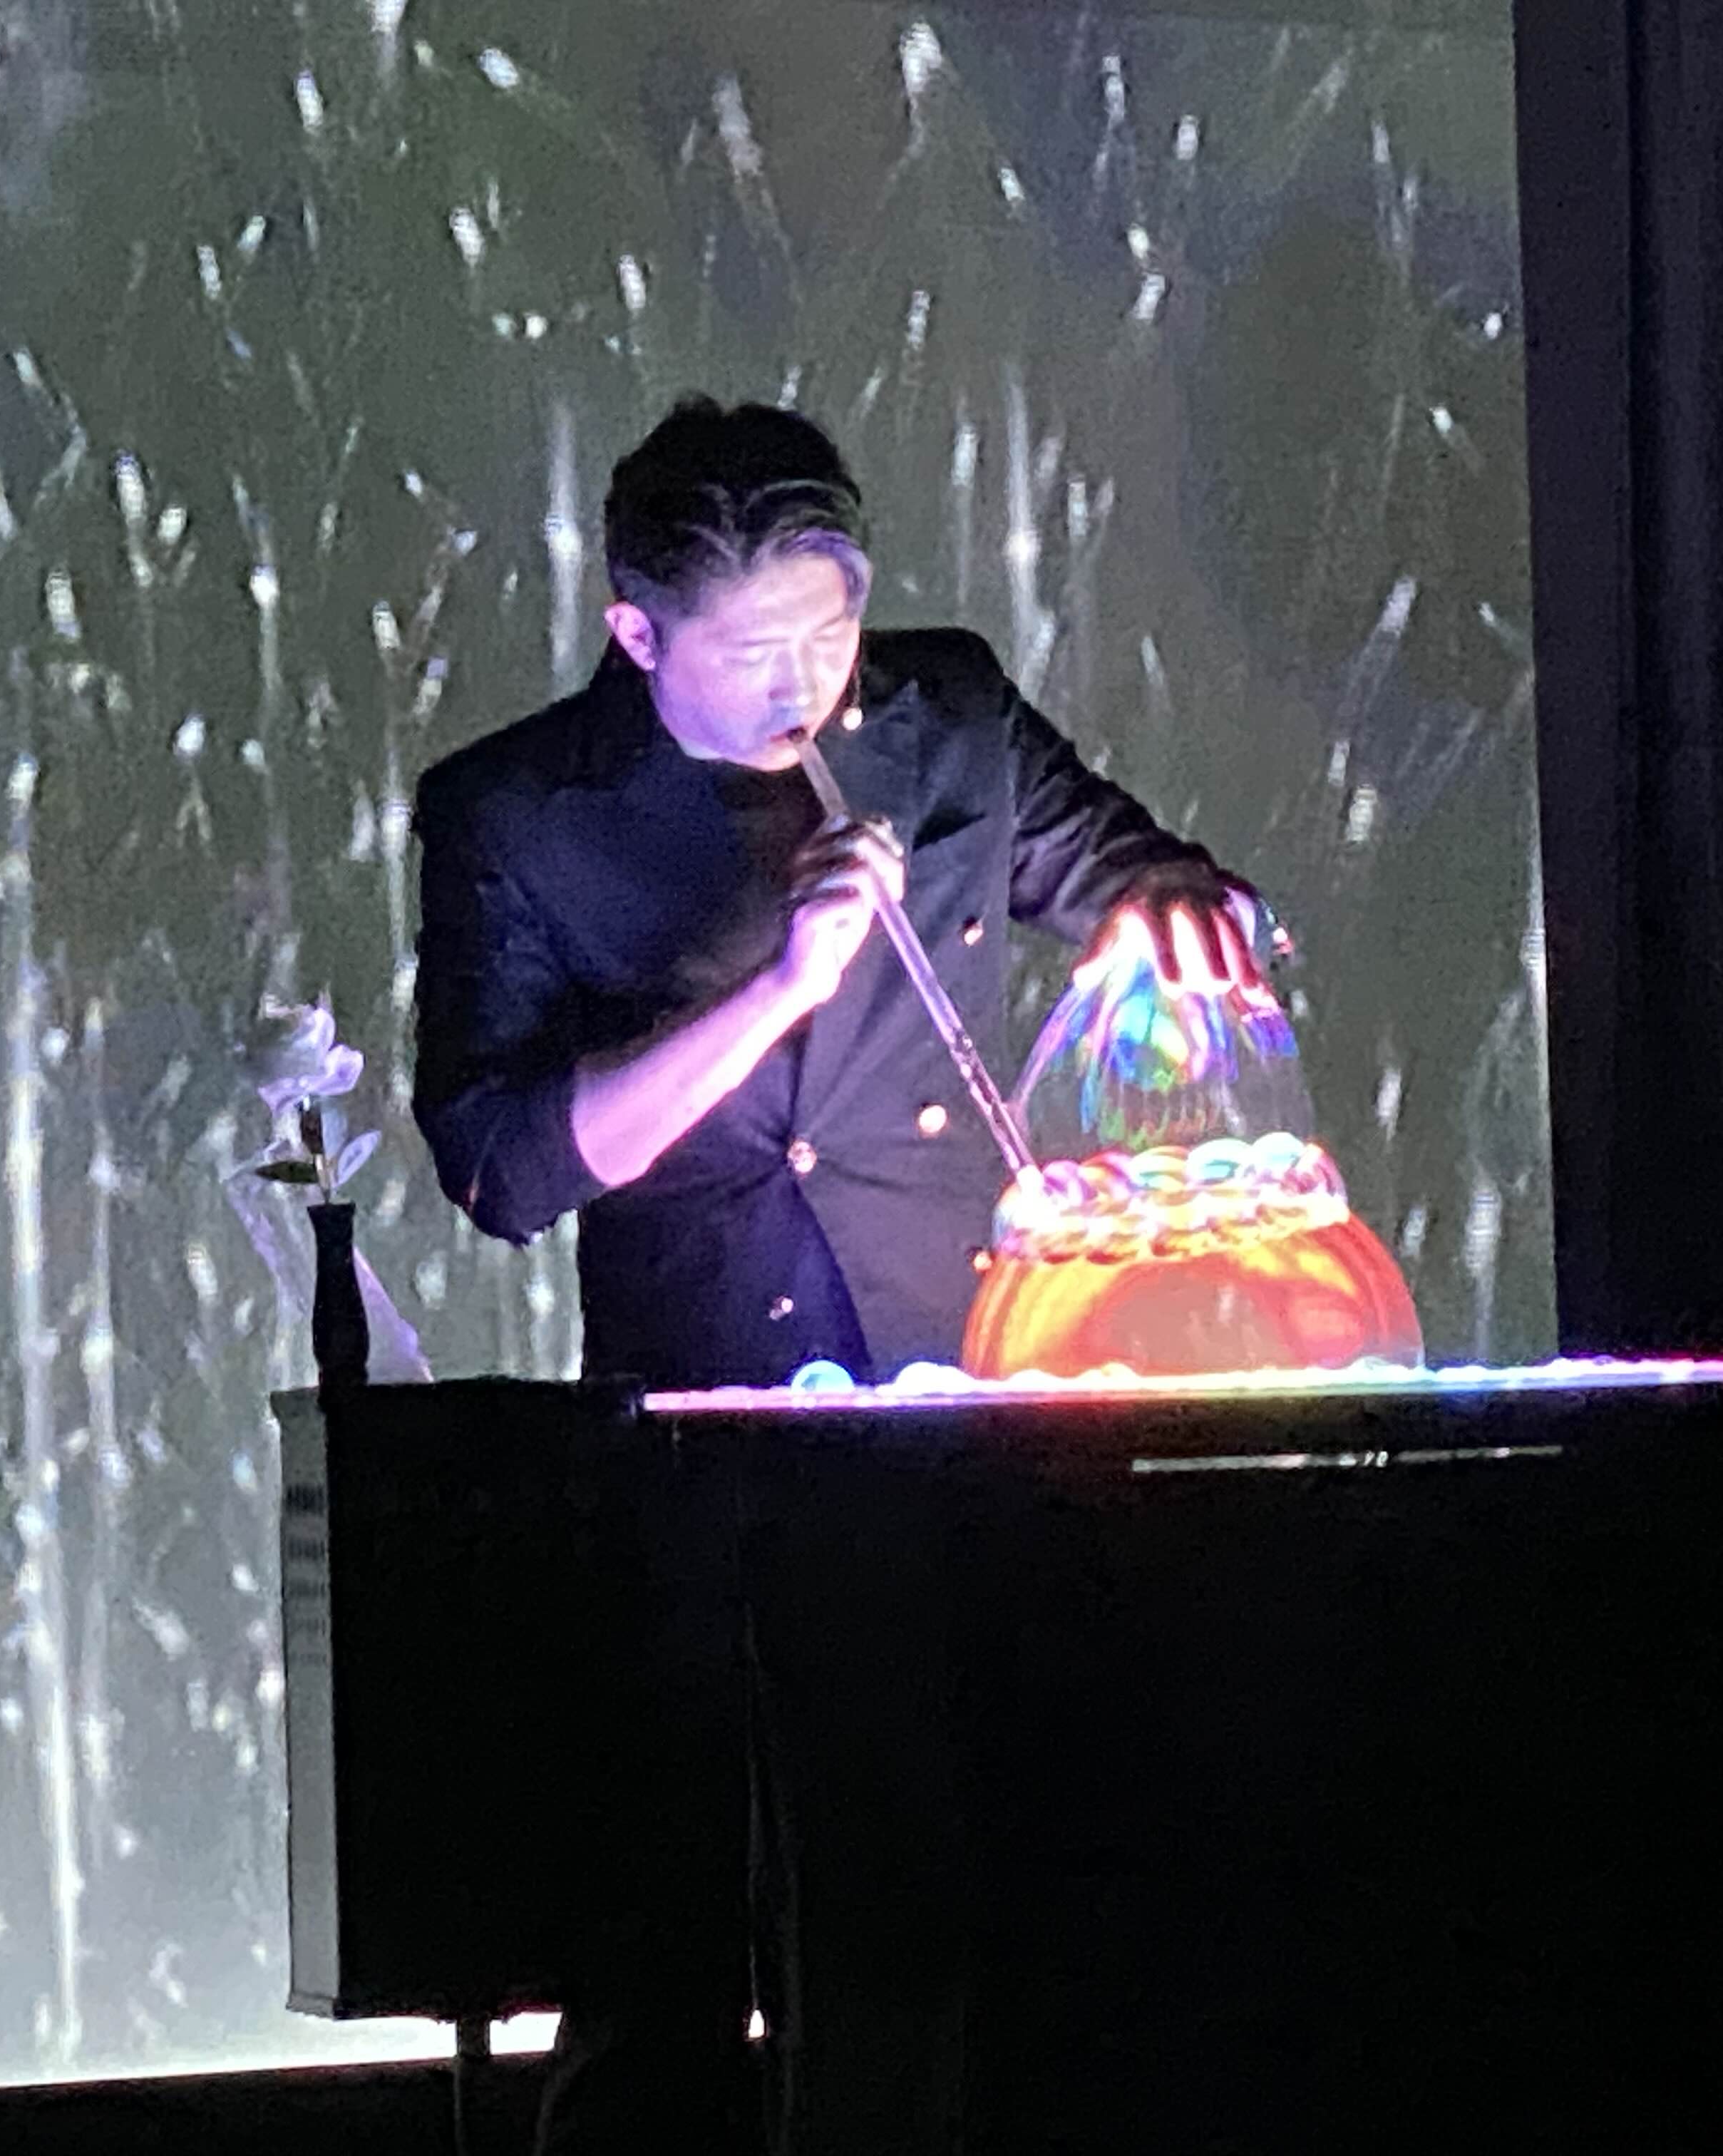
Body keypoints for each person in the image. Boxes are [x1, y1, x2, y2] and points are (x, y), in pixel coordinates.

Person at [409, 396, 1269, 2153]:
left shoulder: (945, 717)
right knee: (664, 1935)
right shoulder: (516, 814)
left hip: (951, 1410)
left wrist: (1188, 911)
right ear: (635, 631)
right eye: (749, 651)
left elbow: (1121, 869)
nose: (802, 683)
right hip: (699, 1439)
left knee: (933, 1922)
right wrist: (780, 990)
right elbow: (506, 1170)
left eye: (831, 632)